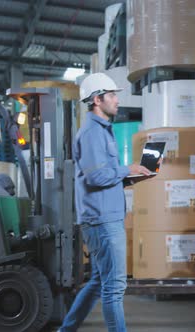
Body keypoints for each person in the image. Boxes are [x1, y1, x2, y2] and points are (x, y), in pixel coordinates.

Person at [59, 73, 153, 332]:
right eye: (112, 95)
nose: (117, 100)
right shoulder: (91, 133)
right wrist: (127, 168)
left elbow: (108, 178)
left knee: (100, 283)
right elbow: (96, 176)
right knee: (114, 287)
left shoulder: (103, 132)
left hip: (106, 215)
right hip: (102, 220)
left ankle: (65, 330)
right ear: (97, 100)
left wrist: (136, 176)